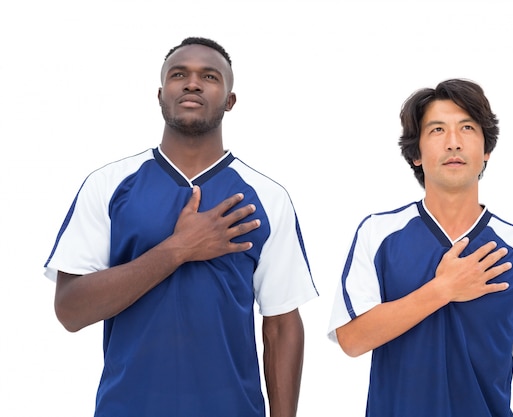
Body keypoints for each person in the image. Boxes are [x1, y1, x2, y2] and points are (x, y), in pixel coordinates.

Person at [44, 36, 318, 417]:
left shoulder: (267, 197)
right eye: (179, 74)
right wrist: (178, 249)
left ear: (230, 100)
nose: (192, 83)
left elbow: (282, 324)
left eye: (209, 76)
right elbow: (70, 311)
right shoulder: (109, 185)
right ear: (160, 94)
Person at [327, 78, 513, 417]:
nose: (453, 143)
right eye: (437, 130)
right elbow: (352, 339)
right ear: (415, 154)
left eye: (467, 128)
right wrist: (443, 289)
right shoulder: (378, 234)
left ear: (486, 151)